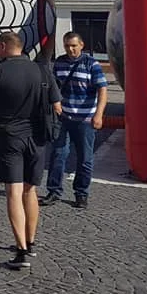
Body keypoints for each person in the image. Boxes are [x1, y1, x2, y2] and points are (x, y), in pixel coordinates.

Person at [0, 32, 62, 269]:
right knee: (31, 190)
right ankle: (31, 242)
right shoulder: (42, 71)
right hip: (37, 138)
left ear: (3, 46)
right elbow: (57, 106)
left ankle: (21, 251)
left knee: (13, 192)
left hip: (9, 136)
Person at [41, 32, 109, 209]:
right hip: (63, 117)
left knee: (85, 158)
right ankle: (54, 191)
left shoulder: (91, 64)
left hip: (85, 119)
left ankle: (81, 193)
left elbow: (102, 90)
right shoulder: (60, 63)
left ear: (81, 45)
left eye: (73, 45)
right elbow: (53, 87)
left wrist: (99, 114)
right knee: (58, 155)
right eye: (67, 46)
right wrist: (55, 104)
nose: (70, 49)